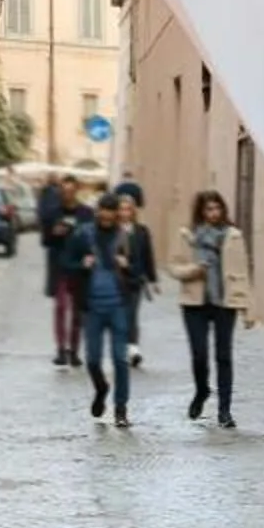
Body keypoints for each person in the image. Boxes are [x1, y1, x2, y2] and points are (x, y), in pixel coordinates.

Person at [168, 190, 255, 427]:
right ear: (201, 211)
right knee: (199, 355)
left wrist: (248, 308)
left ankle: (224, 411)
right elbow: (173, 267)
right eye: (209, 209)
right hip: (194, 303)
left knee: (224, 356)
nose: (214, 213)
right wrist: (193, 270)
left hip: (224, 303)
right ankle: (202, 390)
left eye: (217, 208)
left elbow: (242, 272)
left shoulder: (233, 236)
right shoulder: (188, 236)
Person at [79, 191, 156, 427]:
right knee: (92, 360)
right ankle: (101, 388)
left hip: (119, 305)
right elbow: (67, 263)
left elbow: (138, 269)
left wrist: (128, 266)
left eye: (112, 214)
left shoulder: (126, 236)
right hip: (92, 306)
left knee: (120, 359)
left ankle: (121, 409)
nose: (108, 218)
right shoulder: (84, 235)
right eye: (103, 213)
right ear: (98, 213)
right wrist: (80, 264)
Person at [40, 174, 85, 364]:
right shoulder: (52, 213)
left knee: (77, 310)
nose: (67, 195)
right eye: (64, 191)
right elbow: (45, 241)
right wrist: (54, 233)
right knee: (60, 307)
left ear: (77, 190)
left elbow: (91, 239)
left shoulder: (86, 213)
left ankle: (74, 350)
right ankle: (61, 349)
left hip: (80, 267)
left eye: (71, 191)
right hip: (59, 266)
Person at [112, 182, 154, 369]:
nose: (124, 213)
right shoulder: (110, 231)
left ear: (133, 211)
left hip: (135, 279)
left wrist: (152, 279)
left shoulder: (142, 232)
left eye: (128, 209)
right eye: (121, 209)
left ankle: (133, 349)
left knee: (132, 314)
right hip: (114, 280)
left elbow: (148, 256)